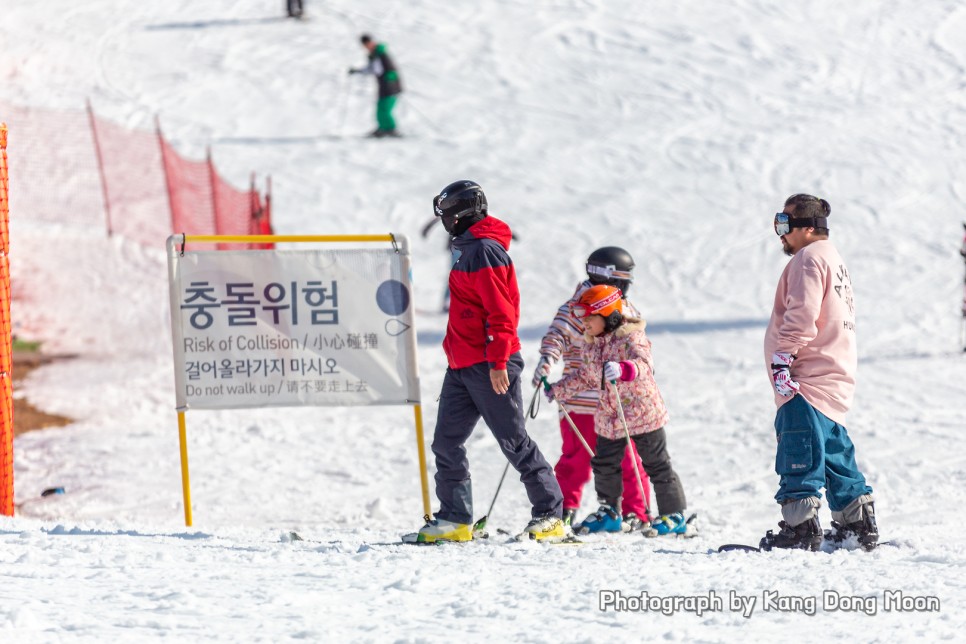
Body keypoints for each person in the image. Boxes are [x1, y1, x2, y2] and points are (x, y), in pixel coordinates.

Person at [414, 180, 565, 543]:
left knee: (513, 440)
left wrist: (499, 361)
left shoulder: (484, 251)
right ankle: (455, 519)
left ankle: (551, 514)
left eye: (447, 214)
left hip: (490, 364)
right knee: (446, 443)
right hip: (462, 365)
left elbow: (502, 311)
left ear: (462, 214)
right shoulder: (465, 249)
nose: (445, 221)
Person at [759, 193, 877, 551]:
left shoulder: (808, 259)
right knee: (834, 456)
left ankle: (800, 529)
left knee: (799, 452)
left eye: (784, 223)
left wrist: (782, 358)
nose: (780, 234)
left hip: (804, 380)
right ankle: (858, 523)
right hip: (833, 378)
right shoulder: (832, 258)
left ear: (808, 227)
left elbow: (802, 314)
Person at [545, 284, 690, 537]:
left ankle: (673, 514)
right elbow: (585, 376)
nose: (583, 323)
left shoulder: (631, 337)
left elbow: (645, 364)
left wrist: (625, 369)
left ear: (607, 315)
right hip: (610, 417)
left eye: (588, 317)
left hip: (642, 413)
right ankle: (610, 511)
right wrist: (559, 389)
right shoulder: (592, 345)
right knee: (604, 464)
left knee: (656, 464)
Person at [532, 247, 653, 531]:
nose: (627, 285)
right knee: (576, 459)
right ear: (609, 277)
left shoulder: (625, 308)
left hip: (618, 400)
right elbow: (557, 336)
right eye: (624, 279)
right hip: (580, 400)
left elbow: (637, 345)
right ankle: (563, 511)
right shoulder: (576, 307)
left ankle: (636, 512)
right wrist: (547, 360)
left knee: (629, 456)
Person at [348, 34, 402, 138]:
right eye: (365, 45)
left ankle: (391, 129)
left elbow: (376, 69)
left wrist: (359, 71)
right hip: (385, 85)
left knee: (385, 108)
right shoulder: (376, 54)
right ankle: (382, 128)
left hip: (390, 85)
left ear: (372, 42)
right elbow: (373, 69)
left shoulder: (379, 54)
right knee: (380, 108)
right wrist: (357, 71)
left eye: (368, 43)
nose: (367, 46)